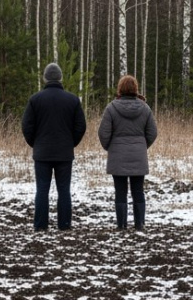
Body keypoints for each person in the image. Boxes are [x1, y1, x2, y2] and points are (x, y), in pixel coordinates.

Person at [21, 62, 87, 231]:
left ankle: (40, 225)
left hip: (42, 152)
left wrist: (35, 144)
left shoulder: (35, 99)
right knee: (64, 190)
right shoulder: (72, 100)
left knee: (42, 189)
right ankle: (64, 225)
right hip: (64, 152)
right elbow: (81, 126)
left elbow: (27, 126)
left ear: (45, 78)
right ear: (60, 78)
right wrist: (71, 143)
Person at [97, 74, 158, 231]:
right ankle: (139, 224)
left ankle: (121, 225)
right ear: (136, 89)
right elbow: (152, 133)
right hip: (138, 155)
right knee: (138, 191)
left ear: (120, 89)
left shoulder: (111, 108)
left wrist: (111, 147)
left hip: (118, 155)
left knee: (120, 192)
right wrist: (142, 146)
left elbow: (103, 133)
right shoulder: (145, 108)